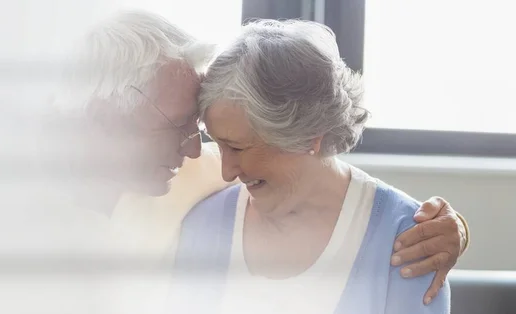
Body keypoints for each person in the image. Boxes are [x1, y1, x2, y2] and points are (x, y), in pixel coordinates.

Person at [53, 10, 468, 312]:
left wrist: (449, 228)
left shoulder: (191, 178)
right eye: (177, 126)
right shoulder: (196, 209)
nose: (215, 162)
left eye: (199, 131)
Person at [171, 19, 455, 314]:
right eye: (218, 144)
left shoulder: (411, 239)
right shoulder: (203, 224)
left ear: (308, 135)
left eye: (238, 147)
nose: (226, 172)